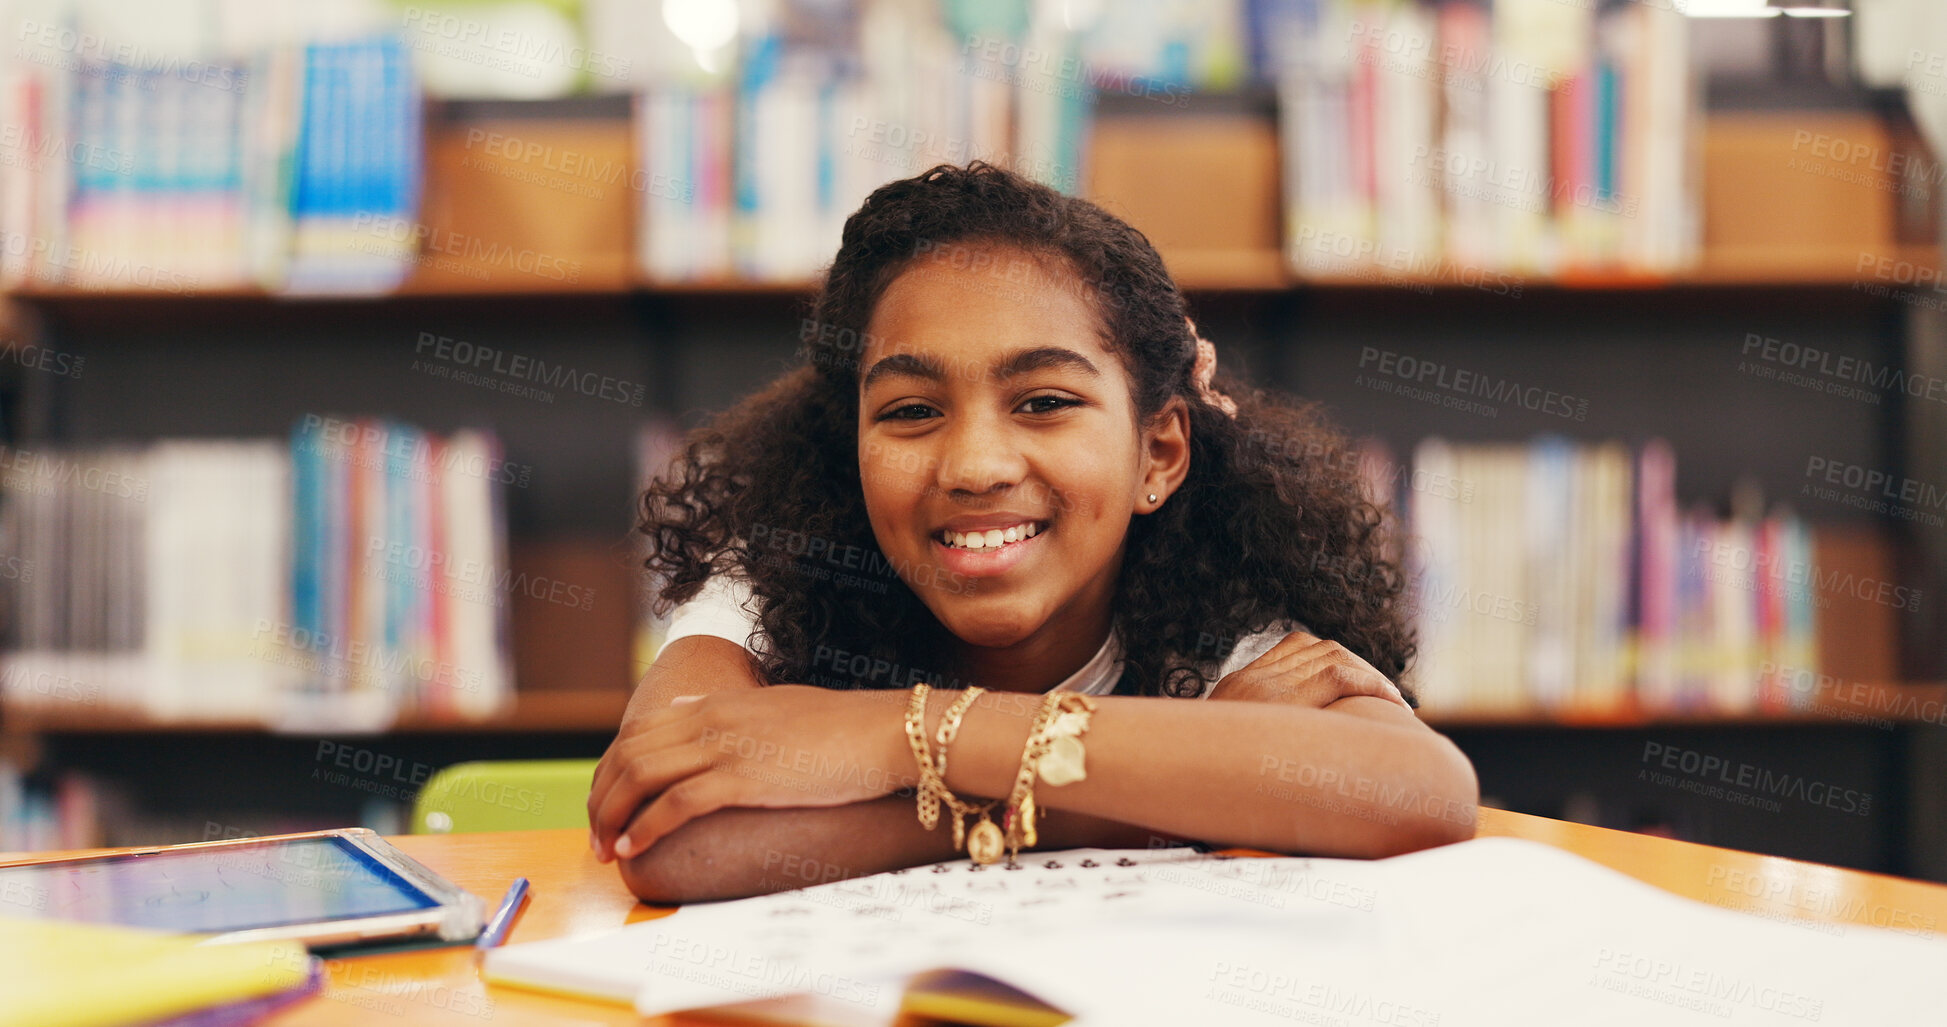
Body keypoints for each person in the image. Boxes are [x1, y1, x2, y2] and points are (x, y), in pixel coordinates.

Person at [588, 161, 1478, 903]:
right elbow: (669, 842)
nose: (975, 466)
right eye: (909, 410)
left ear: (1158, 455)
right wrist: (1173, 785)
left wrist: (898, 737)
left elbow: (1418, 788)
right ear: (850, 443)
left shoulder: (1219, 588)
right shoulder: (774, 574)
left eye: (1045, 401)